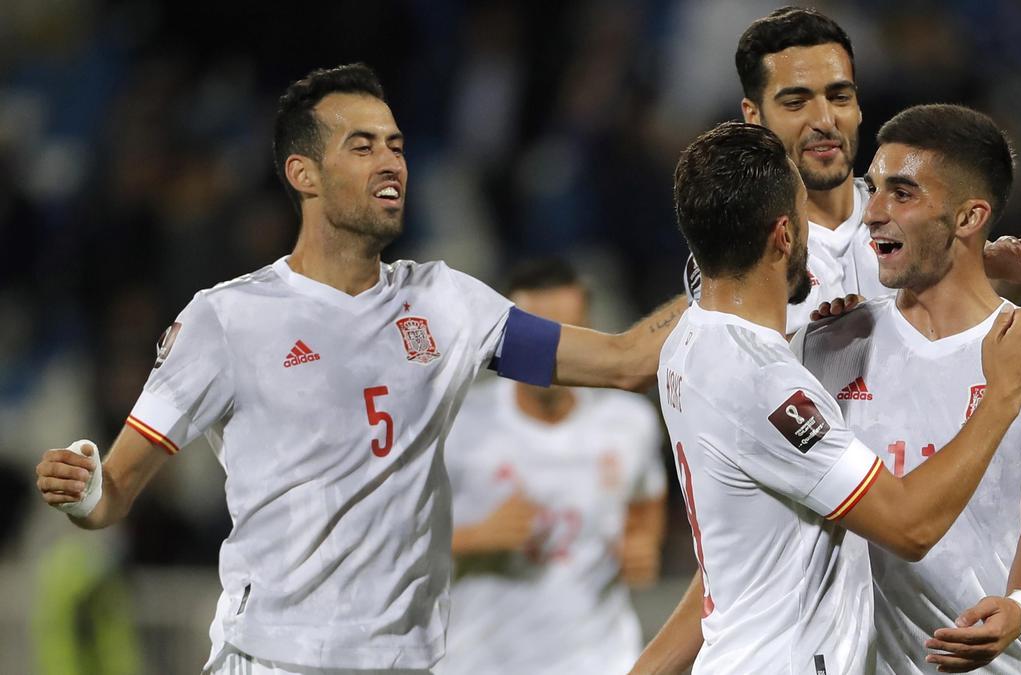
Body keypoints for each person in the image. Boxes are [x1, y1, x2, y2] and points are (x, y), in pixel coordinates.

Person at [33, 64, 684, 675]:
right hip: (274, 656)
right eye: (363, 145)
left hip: (406, 658)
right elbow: (112, 492)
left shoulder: (447, 302)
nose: (391, 161)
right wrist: (83, 487)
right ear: (304, 173)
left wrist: (734, 273)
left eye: (396, 144)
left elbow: (625, 362)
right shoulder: (227, 320)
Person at [647, 120, 1021, 674]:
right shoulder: (767, 385)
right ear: (785, 235)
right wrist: (1003, 394)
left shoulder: (690, 341)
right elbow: (909, 527)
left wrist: (971, 271)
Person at [799, 104, 1021, 673]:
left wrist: (1019, 603)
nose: (873, 213)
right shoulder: (829, 344)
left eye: (903, 193)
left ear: (969, 218)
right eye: (874, 189)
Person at [684, 7, 1021, 331]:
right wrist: (840, 344)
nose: (824, 120)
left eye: (839, 97)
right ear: (754, 116)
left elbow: (968, 333)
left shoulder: (917, 213)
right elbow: (746, 372)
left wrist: (1009, 279)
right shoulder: (734, 242)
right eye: (796, 103)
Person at [437, 258, 666, 675]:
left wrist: (642, 540)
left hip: (603, 659)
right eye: (538, 335)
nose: (550, 354)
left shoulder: (629, 421)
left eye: (565, 334)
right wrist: (472, 537)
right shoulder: (458, 428)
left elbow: (646, 497)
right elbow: (389, 534)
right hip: (485, 662)